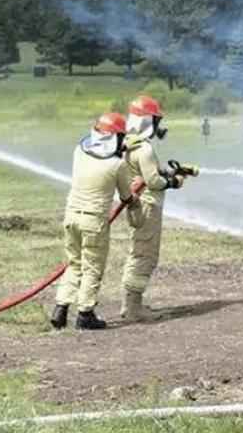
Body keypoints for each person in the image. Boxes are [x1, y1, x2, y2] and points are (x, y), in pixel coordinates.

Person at [51, 112, 136, 331]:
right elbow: (126, 196)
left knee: (74, 263)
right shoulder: (117, 165)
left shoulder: (79, 151)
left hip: (71, 216)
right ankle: (85, 314)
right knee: (92, 267)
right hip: (93, 222)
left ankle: (60, 308)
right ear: (115, 138)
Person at [120, 95, 196, 322]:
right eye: (155, 121)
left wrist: (169, 171)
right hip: (147, 208)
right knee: (145, 255)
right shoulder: (144, 149)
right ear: (147, 122)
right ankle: (133, 308)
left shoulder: (128, 144)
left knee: (139, 253)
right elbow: (152, 181)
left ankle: (132, 304)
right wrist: (174, 182)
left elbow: (146, 173)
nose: (157, 126)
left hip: (138, 207)